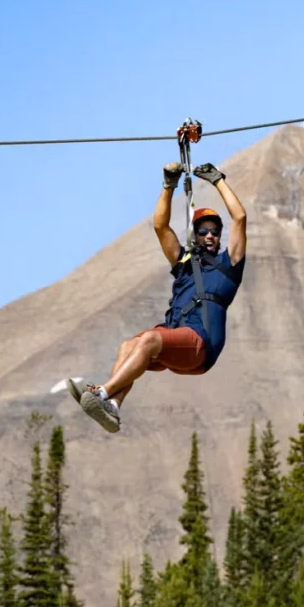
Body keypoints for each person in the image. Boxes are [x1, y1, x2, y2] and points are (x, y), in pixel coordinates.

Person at [66, 160, 247, 432]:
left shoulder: (229, 265)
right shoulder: (185, 264)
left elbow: (240, 218)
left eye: (214, 231)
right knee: (130, 345)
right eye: (202, 230)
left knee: (150, 339)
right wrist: (168, 186)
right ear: (194, 235)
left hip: (201, 344)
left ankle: (102, 393)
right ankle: (113, 407)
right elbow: (160, 226)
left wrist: (218, 180)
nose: (209, 235)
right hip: (178, 342)